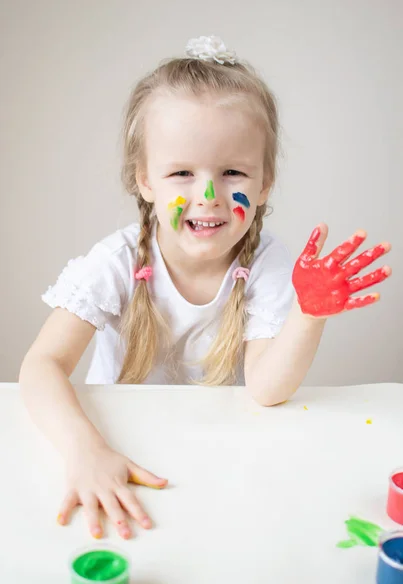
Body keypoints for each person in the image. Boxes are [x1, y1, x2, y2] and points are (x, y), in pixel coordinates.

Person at [19, 35, 392, 540]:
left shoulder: (266, 264)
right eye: (181, 173)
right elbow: (41, 366)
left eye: (233, 171)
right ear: (145, 180)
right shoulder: (118, 261)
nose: (209, 196)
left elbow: (265, 389)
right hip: (116, 447)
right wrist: (85, 450)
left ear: (265, 184)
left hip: (224, 457)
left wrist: (309, 312)